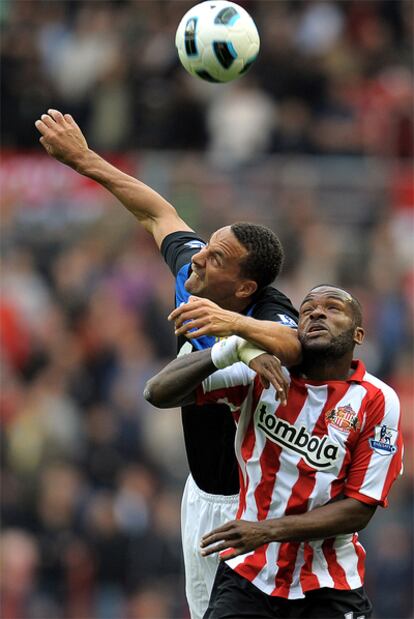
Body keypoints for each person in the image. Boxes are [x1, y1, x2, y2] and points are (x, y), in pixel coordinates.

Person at [35, 109, 302, 619]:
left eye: (216, 258)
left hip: (262, 508)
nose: (199, 259)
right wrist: (85, 159)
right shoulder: (196, 276)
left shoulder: (269, 311)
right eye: (208, 248)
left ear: (245, 288)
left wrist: (235, 331)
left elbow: (291, 346)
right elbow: (158, 213)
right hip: (202, 497)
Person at [144, 285, 403, 619]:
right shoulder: (263, 371)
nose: (317, 313)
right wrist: (232, 349)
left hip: (328, 583)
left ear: (359, 334)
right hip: (247, 577)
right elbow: (157, 392)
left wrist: (266, 530)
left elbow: (358, 510)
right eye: (307, 309)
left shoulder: (378, 400)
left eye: (333, 308)